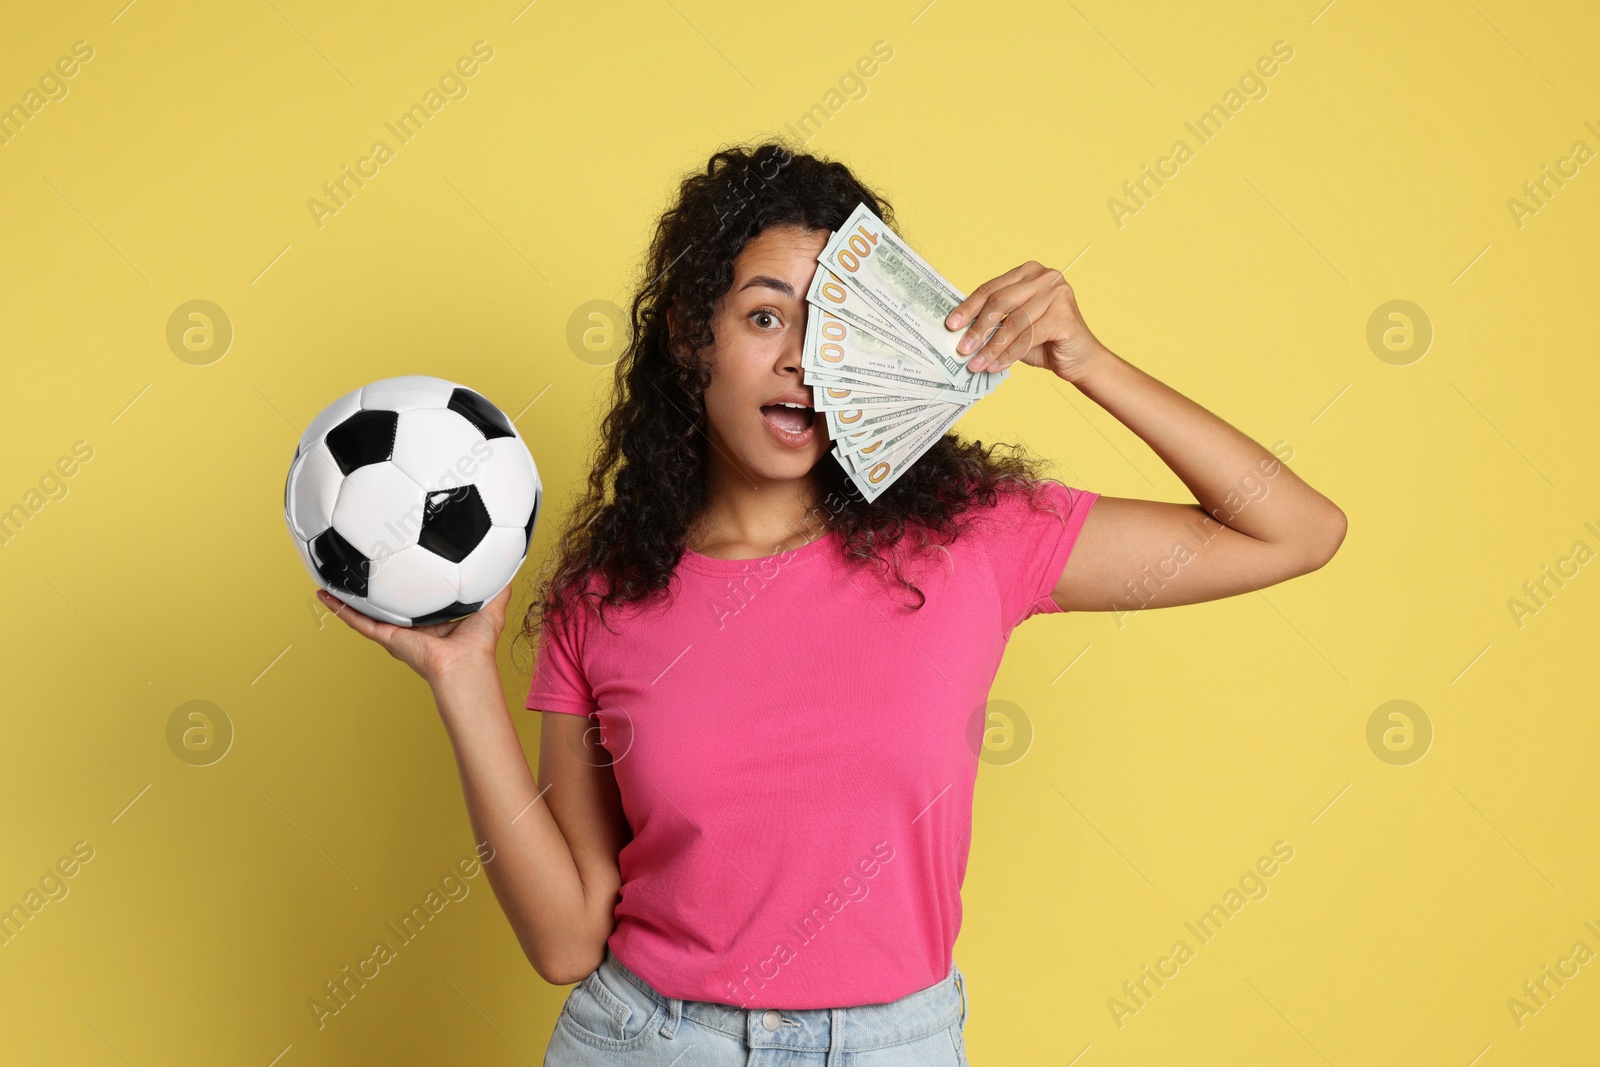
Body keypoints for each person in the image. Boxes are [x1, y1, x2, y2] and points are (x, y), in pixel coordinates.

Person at [319, 142, 1347, 1065]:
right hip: (649, 1042)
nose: (805, 358)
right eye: (765, 315)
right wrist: (459, 677)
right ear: (691, 338)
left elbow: (1291, 529)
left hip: (895, 1042)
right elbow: (564, 939)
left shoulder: (973, 537)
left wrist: (1085, 360)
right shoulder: (606, 591)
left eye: (837, 325)